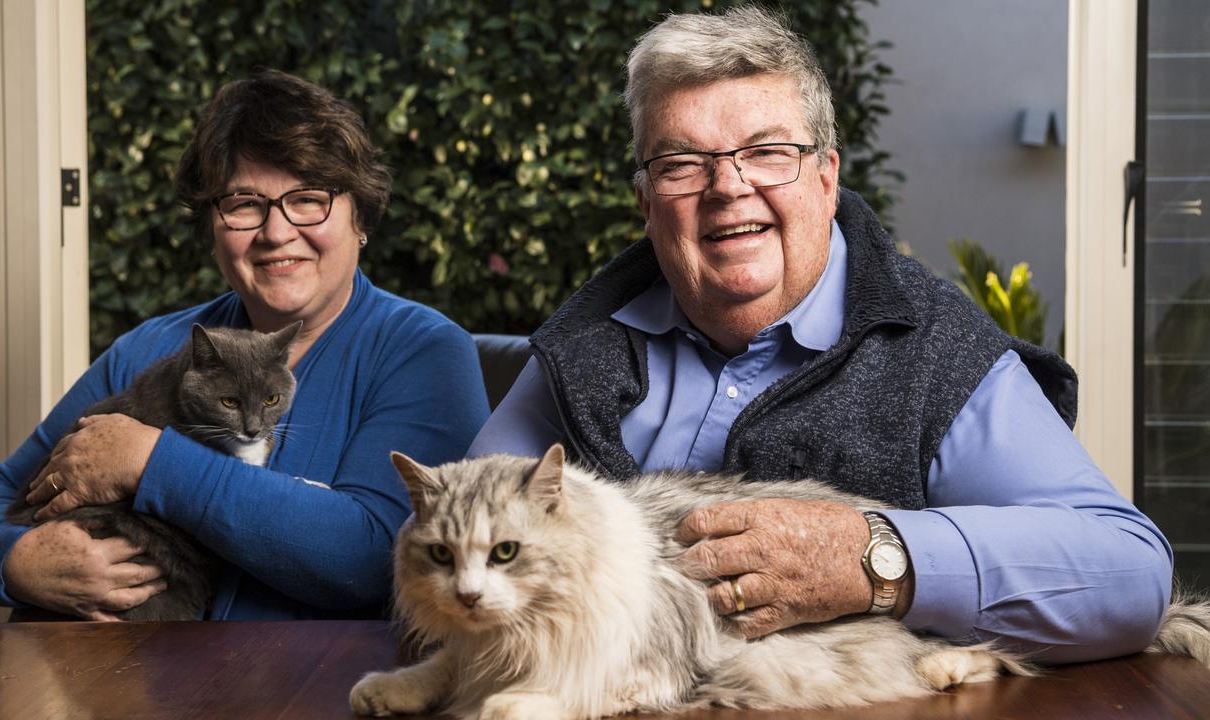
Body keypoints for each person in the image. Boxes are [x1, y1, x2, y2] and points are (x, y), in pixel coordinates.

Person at [468, 7, 1173, 663]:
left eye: (768, 151)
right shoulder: (580, 347)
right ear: (647, 205)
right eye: (682, 163)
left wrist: (877, 559)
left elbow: (1130, 572)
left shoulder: (933, 349)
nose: (727, 186)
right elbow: (446, 556)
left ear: (827, 179)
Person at [0, 69, 490, 621]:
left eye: (308, 200)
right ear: (212, 224)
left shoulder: (426, 353)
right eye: (244, 203)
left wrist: (148, 460)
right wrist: (15, 562)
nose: (276, 233)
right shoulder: (151, 348)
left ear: (362, 215)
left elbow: (374, 560)